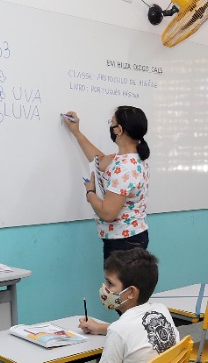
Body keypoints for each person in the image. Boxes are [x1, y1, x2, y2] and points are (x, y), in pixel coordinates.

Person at [27, 247, 179, 363]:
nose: (104, 288)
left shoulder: (119, 330)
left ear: (131, 292)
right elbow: (137, 333)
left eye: (110, 283)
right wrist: (101, 328)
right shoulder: (160, 310)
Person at [63, 106, 151, 258]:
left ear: (119, 130)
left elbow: (108, 213)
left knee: (119, 275)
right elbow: (101, 161)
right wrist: (77, 132)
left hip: (124, 241)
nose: (110, 126)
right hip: (130, 236)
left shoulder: (125, 168)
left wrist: (90, 192)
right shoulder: (131, 157)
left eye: (112, 122)